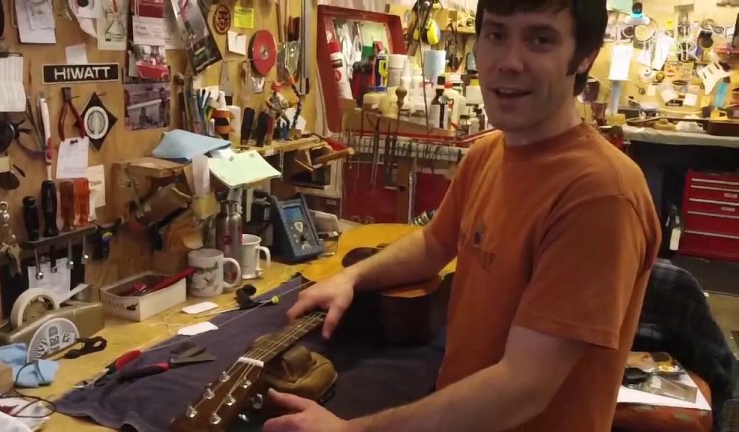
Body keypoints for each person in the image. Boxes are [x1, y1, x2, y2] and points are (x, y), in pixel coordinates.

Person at [263, 1, 662, 431]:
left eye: (540, 39)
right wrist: (351, 278)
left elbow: (522, 387)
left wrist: (349, 430)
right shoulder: (489, 153)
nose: (509, 62)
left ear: (584, 55)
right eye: (496, 35)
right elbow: (434, 243)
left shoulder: (600, 194)